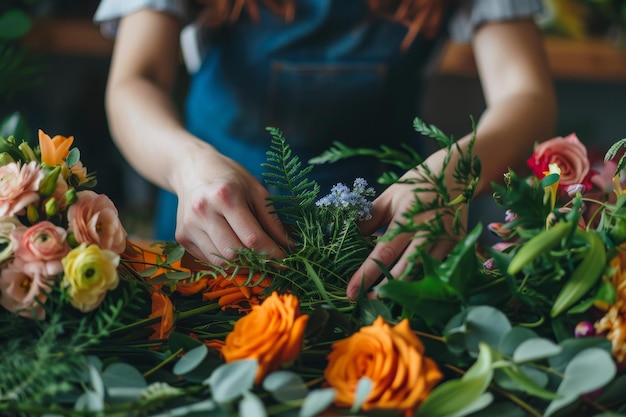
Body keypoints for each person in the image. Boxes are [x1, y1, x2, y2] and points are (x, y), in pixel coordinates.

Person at [94, 0, 556, 301]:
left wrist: (452, 174)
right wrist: (188, 167)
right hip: (214, 240)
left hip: (386, 252)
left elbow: (526, 96)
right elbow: (136, 82)